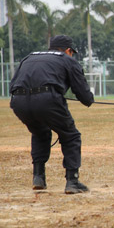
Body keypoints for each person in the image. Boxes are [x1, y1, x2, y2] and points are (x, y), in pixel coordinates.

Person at [10, 35, 94, 194]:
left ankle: (38, 177)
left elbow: (13, 84)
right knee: (70, 135)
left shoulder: (29, 57)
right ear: (68, 50)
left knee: (40, 132)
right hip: (47, 99)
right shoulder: (67, 60)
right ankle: (72, 181)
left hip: (18, 100)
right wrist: (89, 100)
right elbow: (82, 92)